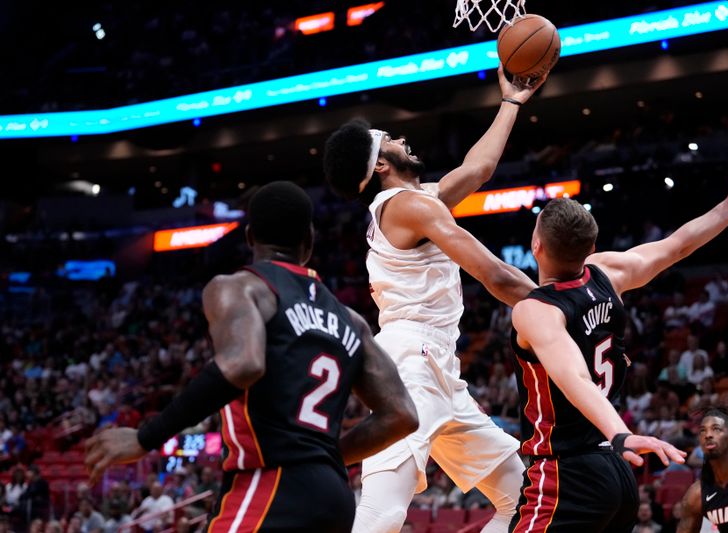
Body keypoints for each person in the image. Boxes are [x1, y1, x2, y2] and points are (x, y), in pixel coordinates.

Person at [84, 182, 419, 533]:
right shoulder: (352, 321)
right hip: (334, 496)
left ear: (248, 237)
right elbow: (401, 414)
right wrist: (326, 457)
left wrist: (145, 437)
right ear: (309, 239)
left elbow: (243, 364)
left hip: (269, 485)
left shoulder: (241, 287)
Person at [324, 68, 545, 533]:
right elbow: (495, 274)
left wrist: (512, 102)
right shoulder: (406, 206)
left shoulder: (416, 203)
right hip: (410, 363)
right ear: (380, 164)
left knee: (525, 496)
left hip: (437, 364)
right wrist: (570, 303)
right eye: (391, 140)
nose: (403, 139)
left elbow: (478, 169)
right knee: (382, 515)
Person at [510, 160, 728, 531]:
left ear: (536, 244)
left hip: (567, 472)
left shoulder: (536, 310)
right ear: (590, 246)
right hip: (618, 476)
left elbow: (574, 377)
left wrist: (619, 433)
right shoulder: (607, 272)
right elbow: (677, 246)